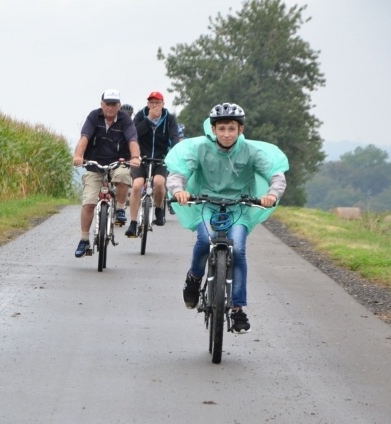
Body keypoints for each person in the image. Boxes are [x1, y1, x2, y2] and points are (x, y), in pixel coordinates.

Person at [165, 102, 288, 333]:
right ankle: (194, 279)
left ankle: (238, 309)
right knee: (205, 240)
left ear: (241, 129)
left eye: (232, 128)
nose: (227, 134)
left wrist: (272, 194)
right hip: (206, 205)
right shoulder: (200, 149)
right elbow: (178, 173)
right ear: (213, 129)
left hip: (238, 207)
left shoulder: (251, 151)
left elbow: (276, 175)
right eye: (221, 128)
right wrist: (178, 190)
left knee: (238, 249)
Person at [71, 89, 141, 257]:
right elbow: (84, 138)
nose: (110, 107)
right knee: (89, 202)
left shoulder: (125, 119)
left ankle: (120, 209)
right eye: (107, 104)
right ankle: (84, 240)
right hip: (95, 164)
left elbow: (132, 140)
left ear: (119, 105)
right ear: (101, 104)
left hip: (118, 162)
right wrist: (78, 156)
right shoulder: (94, 117)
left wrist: (135, 157)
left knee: (123, 175)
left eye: (113, 104)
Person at [125, 91, 181, 237]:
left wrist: (174, 155)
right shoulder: (141, 115)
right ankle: (133, 223)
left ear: (163, 104)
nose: (154, 105)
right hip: (141, 158)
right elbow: (133, 134)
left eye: (157, 102)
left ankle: (158, 208)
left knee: (159, 182)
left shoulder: (169, 118)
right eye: (151, 102)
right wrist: (149, 119)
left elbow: (174, 138)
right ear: (147, 104)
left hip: (161, 158)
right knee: (137, 185)